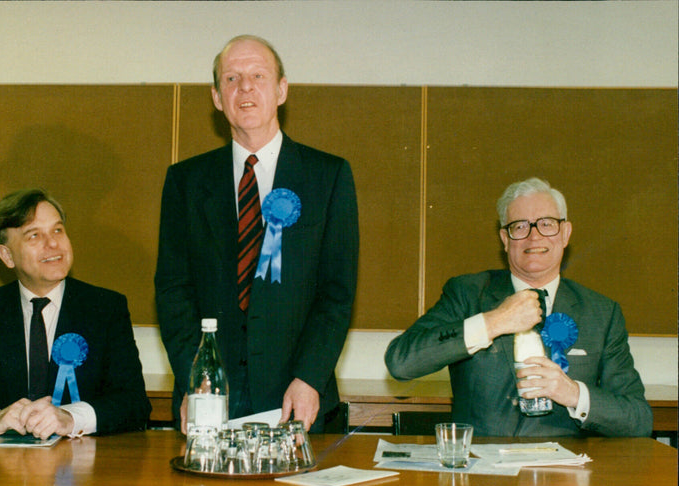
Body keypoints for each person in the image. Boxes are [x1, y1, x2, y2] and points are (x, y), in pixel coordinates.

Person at [155, 35, 359, 433]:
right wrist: (196, 379)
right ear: (217, 97)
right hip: (211, 396)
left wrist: (310, 377)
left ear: (281, 90)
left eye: (258, 76)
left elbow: (336, 294)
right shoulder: (185, 181)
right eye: (231, 78)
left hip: (297, 396)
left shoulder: (327, 176)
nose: (244, 87)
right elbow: (172, 292)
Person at [385, 177, 652, 437]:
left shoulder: (602, 313)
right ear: (505, 238)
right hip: (484, 473)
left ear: (565, 233)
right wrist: (493, 322)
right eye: (520, 226)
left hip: (565, 473)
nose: (534, 237)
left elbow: (638, 419)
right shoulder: (467, 293)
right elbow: (400, 363)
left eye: (547, 224)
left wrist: (572, 394)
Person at [0, 189, 151, 438]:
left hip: (81, 468)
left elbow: (134, 403)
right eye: (34, 235)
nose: (53, 244)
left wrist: (70, 419)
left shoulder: (105, 308)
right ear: (7, 256)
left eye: (58, 230)